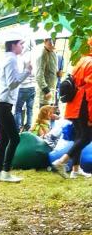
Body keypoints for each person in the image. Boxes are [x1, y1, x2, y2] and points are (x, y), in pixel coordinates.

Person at [51, 37, 92, 180]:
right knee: (86, 137)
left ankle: (76, 169)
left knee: (79, 137)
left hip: (73, 105)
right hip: (84, 105)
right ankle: (61, 162)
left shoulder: (82, 60)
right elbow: (91, 92)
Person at [0, 38, 32, 183]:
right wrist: (27, 71)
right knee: (15, 139)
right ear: (13, 45)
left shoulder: (7, 59)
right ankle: (6, 172)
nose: (22, 46)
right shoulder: (12, 60)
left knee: (4, 140)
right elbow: (12, 83)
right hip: (3, 105)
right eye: (21, 44)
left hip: (1, 104)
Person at [13, 53, 37, 132]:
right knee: (30, 109)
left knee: (18, 109)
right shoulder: (34, 59)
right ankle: (28, 127)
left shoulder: (21, 59)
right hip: (32, 87)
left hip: (23, 87)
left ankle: (18, 127)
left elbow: (19, 74)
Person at [36, 37, 59, 106]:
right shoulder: (42, 55)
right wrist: (46, 91)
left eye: (54, 42)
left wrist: (58, 73)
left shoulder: (53, 53)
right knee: (44, 116)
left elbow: (52, 70)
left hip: (53, 91)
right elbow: (39, 76)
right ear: (45, 41)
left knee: (51, 115)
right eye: (50, 42)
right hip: (45, 94)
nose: (53, 45)